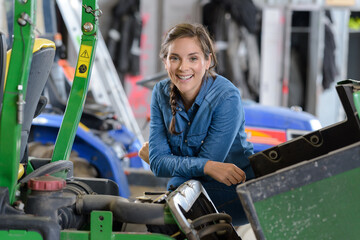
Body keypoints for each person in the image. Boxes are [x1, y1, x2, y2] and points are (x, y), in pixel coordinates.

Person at [138, 22, 255, 226]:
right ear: (165, 61)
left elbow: (194, 173)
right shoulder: (161, 92)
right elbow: (160, 164)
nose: (183, 67)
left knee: (162, 215)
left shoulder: (226, 96)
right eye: (174, 58)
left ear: (208, 61)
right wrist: (207, 166)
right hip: (188, 191)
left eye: (193, 58)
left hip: (232, 194)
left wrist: (167, 163)